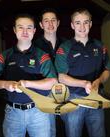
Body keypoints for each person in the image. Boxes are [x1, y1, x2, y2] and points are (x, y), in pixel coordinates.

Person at [0, 13, 57, 137]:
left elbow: (53, 82)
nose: (25, 31)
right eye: (20, 27)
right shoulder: (4, 56)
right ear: (14, 30)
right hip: (13, 113)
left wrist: (27, 83)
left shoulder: (42, 56)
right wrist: (5, 84)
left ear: (34, 31)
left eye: (29, 27)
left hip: (38, 112)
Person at [55, 8, 110, 137]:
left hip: (96, 98)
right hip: (73, 99)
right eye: (78, 22)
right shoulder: (65, 48)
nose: (82, 26)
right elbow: (61, 77)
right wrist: (84, 83)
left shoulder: (100, 46)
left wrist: (99, 81)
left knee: (98, 133)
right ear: (72, 25)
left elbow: (107, 70)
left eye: (86, 22)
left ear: (90, 24)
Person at [34, 8, 67, 137]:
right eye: (46, 21)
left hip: (66, 93)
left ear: (58, 23)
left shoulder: (67, 43)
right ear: (41, 25)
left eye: (53, 20)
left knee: (67, 127)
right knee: (49, 130)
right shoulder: (34, 45)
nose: (50, 24)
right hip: (44, 94)